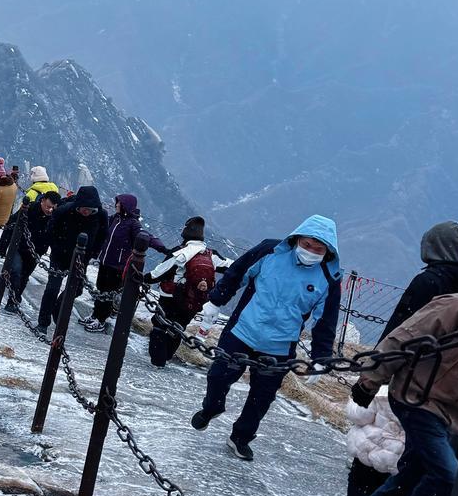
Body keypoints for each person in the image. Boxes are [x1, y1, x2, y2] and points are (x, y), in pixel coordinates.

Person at [334, 293, 458, 496]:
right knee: (448, 476)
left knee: (414, 472)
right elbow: (404, 337)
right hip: (417, 397)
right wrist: (370, 381)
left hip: (455, 414)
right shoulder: (457, 305)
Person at [193, 214, 341, 463]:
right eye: (306, 245)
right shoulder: (270, 251)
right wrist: (216, 300)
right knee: (218, 376)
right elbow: (238, 272)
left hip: (280, 345)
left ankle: (241, 437)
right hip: (242, 331)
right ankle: (212, 407)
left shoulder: (328, 278)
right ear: (296, 240)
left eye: (318, 249)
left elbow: (325, 320)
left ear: (328, 252)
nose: (311, 251)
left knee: (262, 397)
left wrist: (321, 358)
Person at [145, 216, 219, 366]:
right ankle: (166, 356)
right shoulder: (211, 255)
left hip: (170, 298)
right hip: (193, 300)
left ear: (186, 232)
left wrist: (141, 277)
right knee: (178, 328)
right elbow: (231, 268)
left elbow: (157, 274)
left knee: (160, 326)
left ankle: (157, 361)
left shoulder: (180, 252)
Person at [89, 194, 170, 326]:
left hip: (117, 266)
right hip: (105, 261)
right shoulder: (115, 219)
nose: (116, 205)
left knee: (109, 293)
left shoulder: (133, 224)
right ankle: (95, 314)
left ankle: (101, 320)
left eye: (119, 203)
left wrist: (163, 248)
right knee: (101, 289)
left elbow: (146, 237)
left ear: (125, 206)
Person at [36, 185, 108, 333]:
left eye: (90, 209)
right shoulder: (65, 210)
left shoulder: (100, 215)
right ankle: (43, 323)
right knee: (52, 288)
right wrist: (56, 246)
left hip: (82, 259)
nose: (86, 212)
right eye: (83, 209)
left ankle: (58, 308)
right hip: (60, 255)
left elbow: (102, 237)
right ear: (78, 206)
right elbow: (51, 229)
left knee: (77, 289)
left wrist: (92, 253)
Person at [380, 222, 458, 337]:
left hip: (416, 351)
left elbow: (402, 323)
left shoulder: (427, 281)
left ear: (434, 246)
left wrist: (380, 351)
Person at [0, 170, 61, 309]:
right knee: (15, 271)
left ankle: (13, 301)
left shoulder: (54, 218)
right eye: (48, 207)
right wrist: (3, 246)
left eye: (53, 208)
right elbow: (11, 224)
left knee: (24, 276)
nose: (50, 210)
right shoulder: (30, 209)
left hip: (36, 252)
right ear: (43, 200)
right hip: (19, 247)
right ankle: (14, 299)